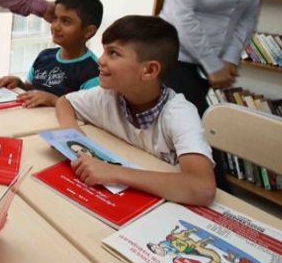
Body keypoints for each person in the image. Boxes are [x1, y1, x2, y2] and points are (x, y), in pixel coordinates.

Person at [55, 15, 216, 206]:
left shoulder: (179, 113)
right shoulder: (109, 95)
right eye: (104, 50)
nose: (100, 60)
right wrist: (72, 133)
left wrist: (113, 172)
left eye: (113, 53)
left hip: (166, 207)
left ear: (149, 70)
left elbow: (202, 188)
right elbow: (65, 102)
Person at [0, 0, 102, 107]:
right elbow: (32, 88)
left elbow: (89, 113)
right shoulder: (45, 56)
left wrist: (54, 101)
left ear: (88, 31)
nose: (55, 26)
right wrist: (19, 84)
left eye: (66, 21)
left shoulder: (93, 72)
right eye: (55, 18)